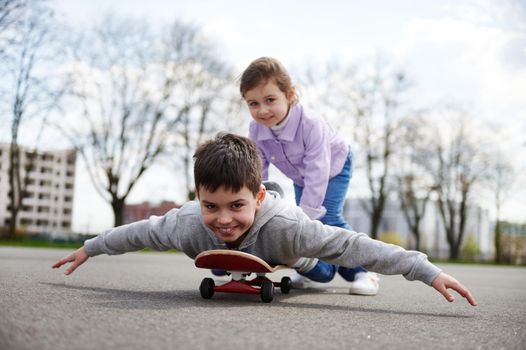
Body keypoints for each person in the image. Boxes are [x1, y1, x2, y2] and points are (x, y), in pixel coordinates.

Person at [52, 133, 477, 308]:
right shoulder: (186, 222)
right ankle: (239, 258)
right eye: (210, 206)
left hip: (292, 248)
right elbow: (141, 231)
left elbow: (352, 246)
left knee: (323, 270)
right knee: (215, 253)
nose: (222, 220)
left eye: (236, 206)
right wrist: (92, 246)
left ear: (256, 196)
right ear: (197, 197)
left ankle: (309, 269)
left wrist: (423, 269)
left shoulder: (289, 228)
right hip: (252, 250)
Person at [240, 56, 377, 294]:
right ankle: (312, 272)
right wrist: (255, 206)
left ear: (290, 95)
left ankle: (363, 270)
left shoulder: (311, 124)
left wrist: (305, 218)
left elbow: (318, 169)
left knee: (328, 219)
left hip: (334, 166)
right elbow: (257, 170)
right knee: (308, 220)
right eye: (253, 103)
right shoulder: (256, 129)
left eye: (270, 100)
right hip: (301, 176)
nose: (262, 110)